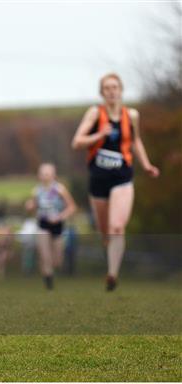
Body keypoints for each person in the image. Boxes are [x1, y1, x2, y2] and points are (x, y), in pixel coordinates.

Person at [71, 73, 159, 291]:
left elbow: (136, 141)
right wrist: (99, 134)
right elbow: (77, 142)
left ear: (121, 90)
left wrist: (146, 164)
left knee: (117, 227)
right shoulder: (95, 113)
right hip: (98, 180)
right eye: (107, 88)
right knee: (105, 234)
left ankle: (112, 274)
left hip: (122, 177)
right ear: (102, 92)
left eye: (115, 87)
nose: (112, 91)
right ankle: (110, 258)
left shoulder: (132, 115)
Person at [26, 163, 76, 290]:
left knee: (57, 260)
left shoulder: (60, 189)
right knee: (45, 255)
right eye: (42, 173)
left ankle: (49, 270)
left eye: (47, 173)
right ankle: (48, 281)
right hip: (43, 224)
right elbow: (32, 207)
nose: (44, 176)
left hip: (57, 225)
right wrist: (30, 207)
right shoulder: (36, 191)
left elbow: (72, 207)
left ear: (53, 175)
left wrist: (59, 217)